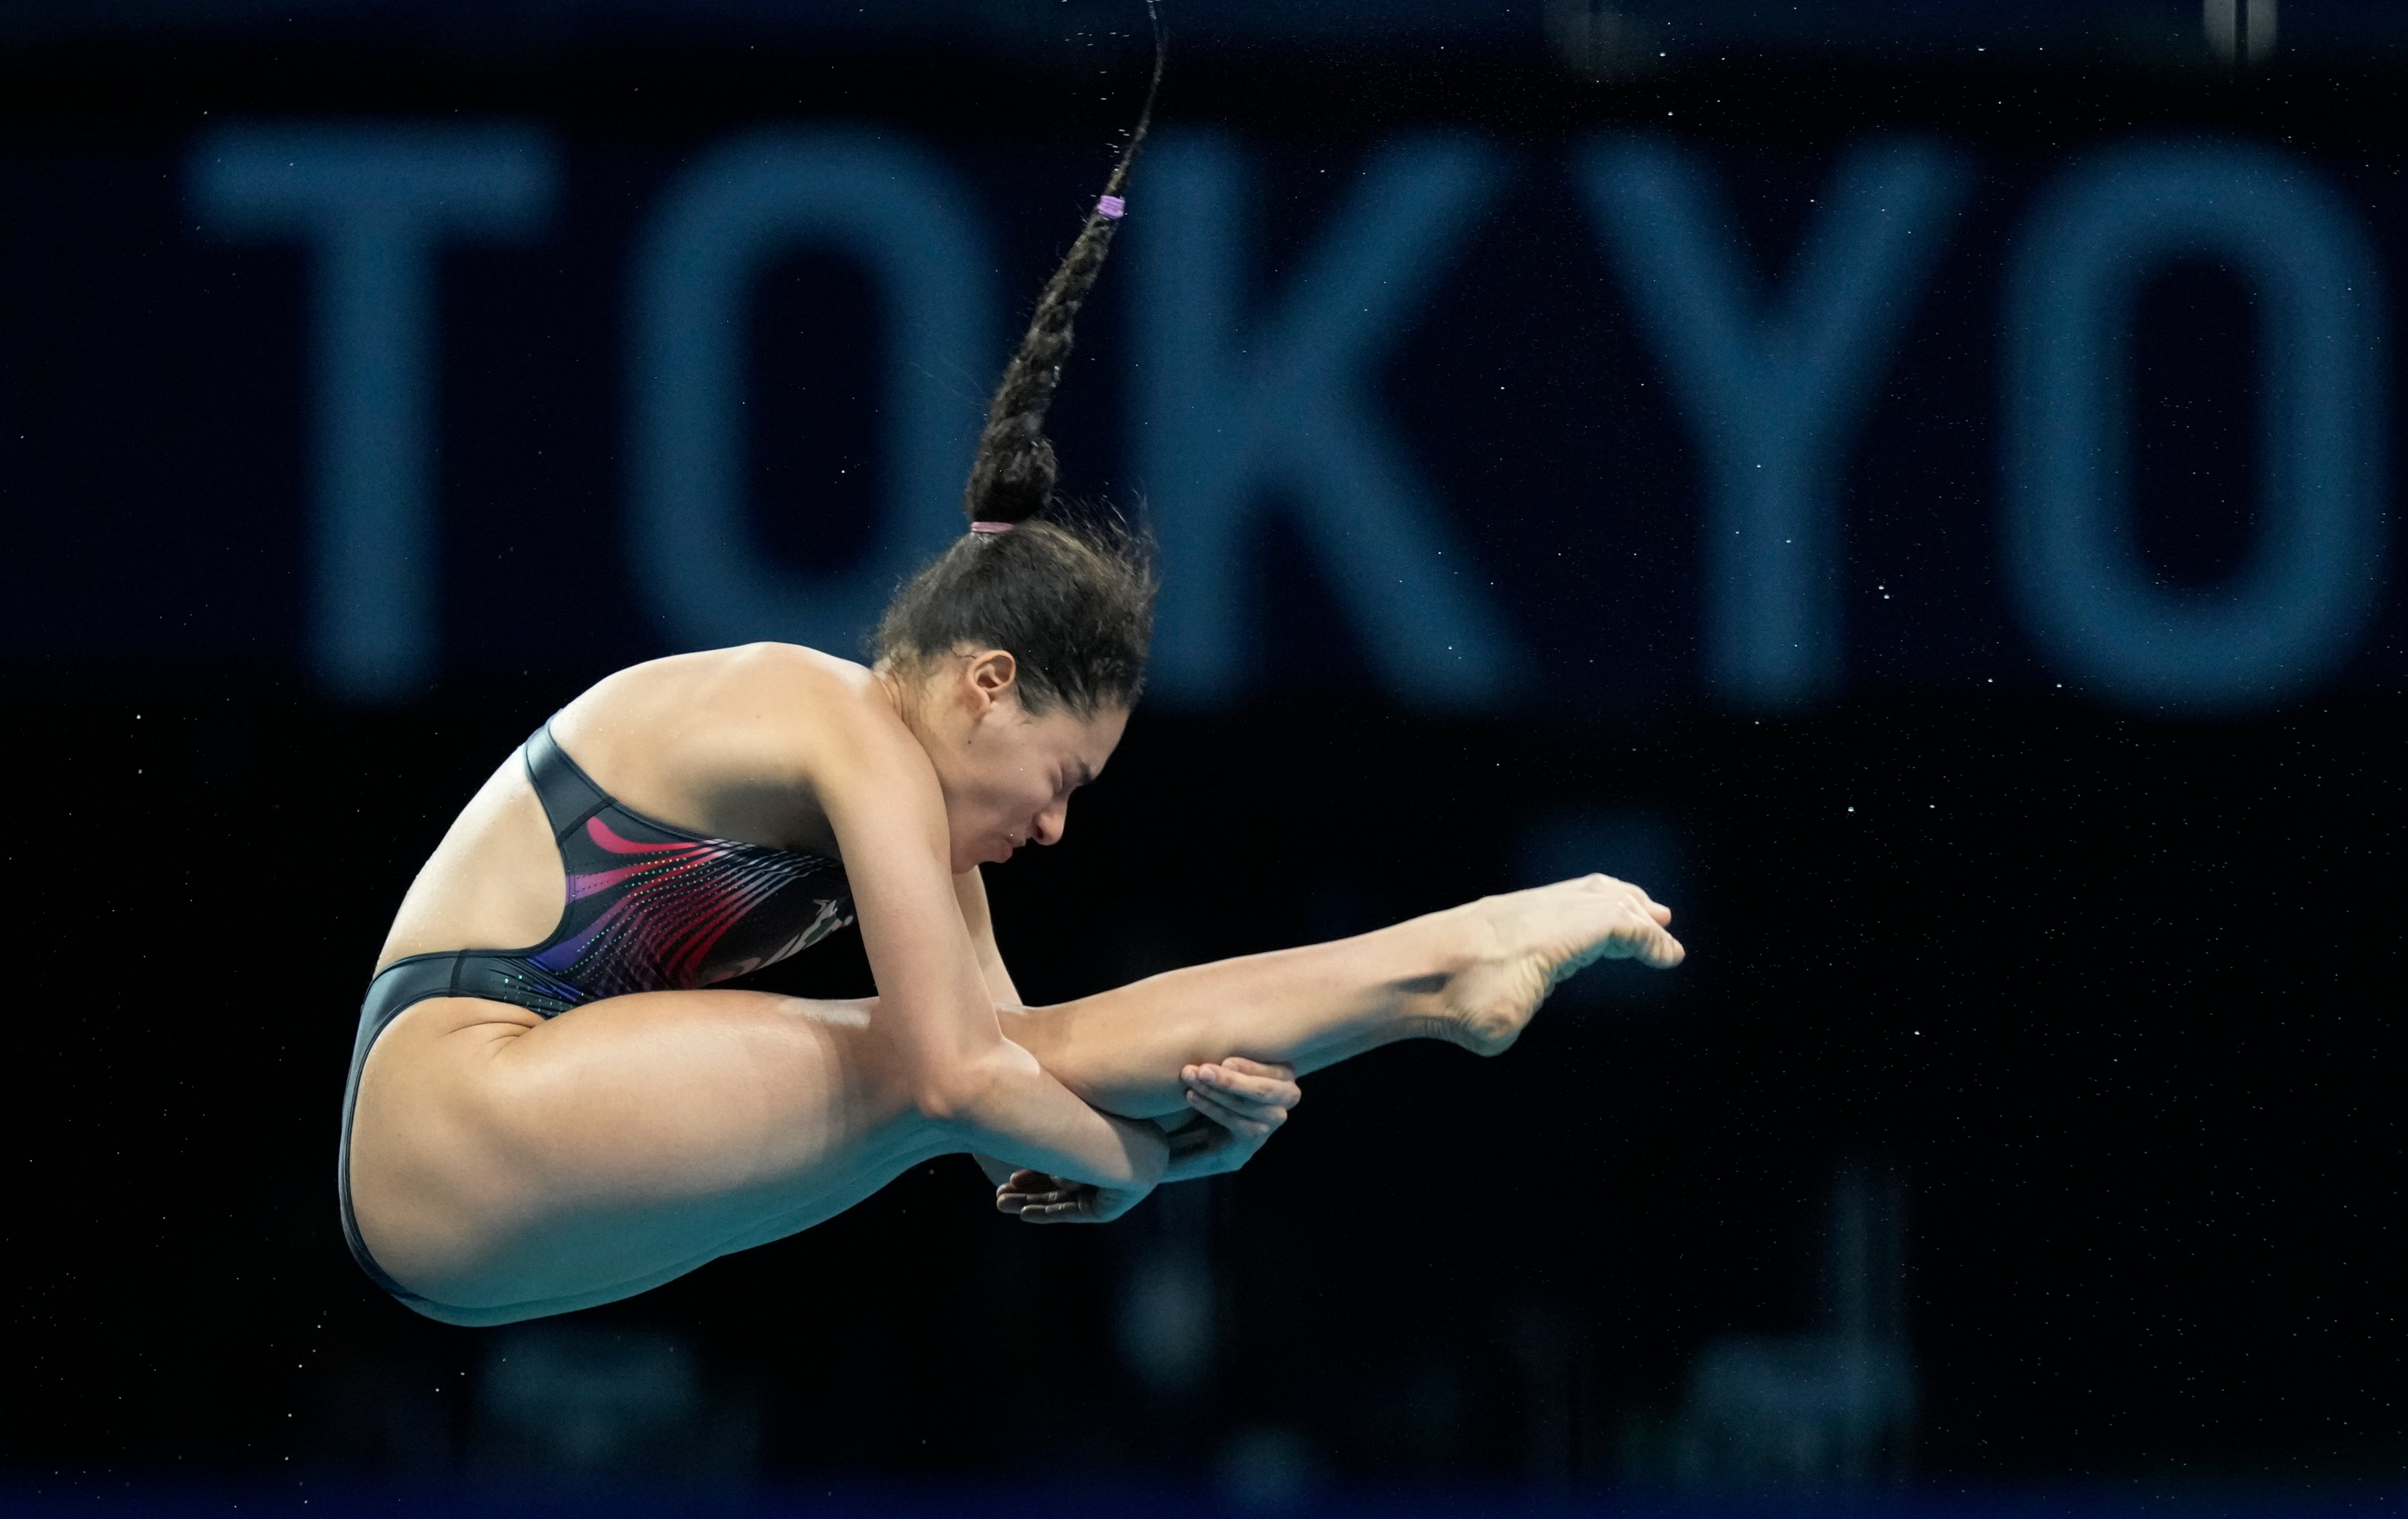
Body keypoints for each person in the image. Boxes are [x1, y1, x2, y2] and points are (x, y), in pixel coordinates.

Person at [337, 91, 1685, 1330]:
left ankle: (1435, 978)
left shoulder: (904, 795)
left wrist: (1180, 1139)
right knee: (947, 1064)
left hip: (487, 1211)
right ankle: (1443, 963)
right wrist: (1148, 1160)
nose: (1051, 826)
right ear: (988, 684)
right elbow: (962, 1079)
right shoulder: (836, 722)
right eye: (1062, 775)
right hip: (456, 1106)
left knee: (994, 1057)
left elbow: (1003, 1106)